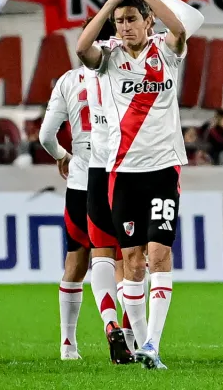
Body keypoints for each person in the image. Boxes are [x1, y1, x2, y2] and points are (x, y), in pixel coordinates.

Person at [76, 0, 205, 370]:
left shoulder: (166, 53)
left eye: (132, 19)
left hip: (163, 170)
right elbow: (81, 47)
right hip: (122, 174)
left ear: (148, 23)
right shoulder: (109, 59)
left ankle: (152, 344)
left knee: (159, 254)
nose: (125, 27)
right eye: (120, 21)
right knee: (130, 260)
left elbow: (181, 28)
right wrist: (110, 5)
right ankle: (136, 342)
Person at [80, 18, 134, 364]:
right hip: (130, 168)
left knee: (101, 253)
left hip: (96, 168)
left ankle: (109, 323)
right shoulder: (123, 61)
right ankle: (130, 335)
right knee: (134, 258)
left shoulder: (77, 77)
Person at [38, 65, 94, 360]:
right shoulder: (124, 72)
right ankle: (128, 339)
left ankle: (68, 344)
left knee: (75, 263)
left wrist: (63, 156)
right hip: (117, 179)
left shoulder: (68, 79)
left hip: (79, 183)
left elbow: (46, 136)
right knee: (126, 261)